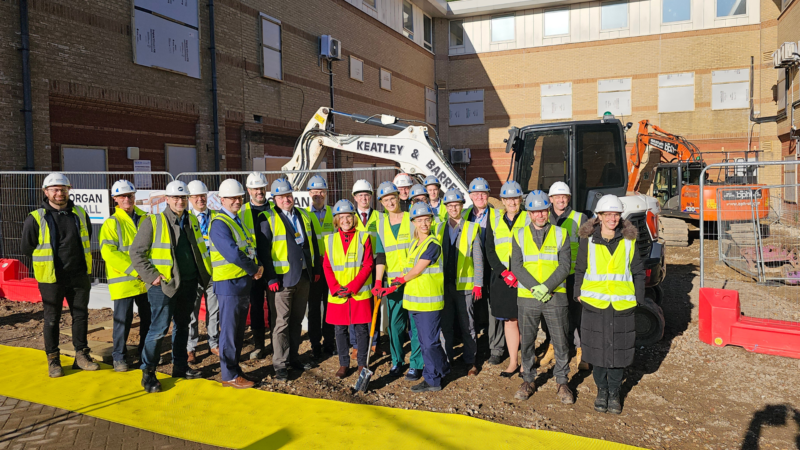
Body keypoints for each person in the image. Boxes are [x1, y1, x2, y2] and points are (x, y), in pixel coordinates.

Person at [130, 180, 212, 393]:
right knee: (158, 330)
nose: (179, 201)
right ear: (167, 199)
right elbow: (137, 253)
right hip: (164, 286)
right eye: (175, 197)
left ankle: (180, 366)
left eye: (183, 197)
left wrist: (204, 276)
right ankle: (148, 373)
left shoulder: (191, 220)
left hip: (188, 283)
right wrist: (152, 277)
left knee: (183, 325)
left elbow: (199, 251)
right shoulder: (154, 221)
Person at [22, 173, 99, 377]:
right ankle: (53, 360)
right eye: (54, 189)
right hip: (51, 278)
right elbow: (27, 247)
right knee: (51, 319)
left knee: (80, 316)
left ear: (69, 190)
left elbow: (86, 237)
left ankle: (81, 356)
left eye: (63, 189)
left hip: (79, 275)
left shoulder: (80, 213)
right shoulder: (36, 218)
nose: (59, 193)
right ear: (45, 192)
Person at [575, 194, 644, 415]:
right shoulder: (588, 240)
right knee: (597, 351)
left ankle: (614, 392)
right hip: (594, 305)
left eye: (616, 214)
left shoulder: (629, 241)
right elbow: (580, 269)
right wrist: (578, 294)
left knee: (618, 352)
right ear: (600, 216)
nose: (612, 218)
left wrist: (639, 299)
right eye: (608, 214)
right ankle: (601, 391)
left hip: (622, 306)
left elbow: (639, 272)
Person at [510, 191, 573, 404]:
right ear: (529, 213)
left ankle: (562, 381)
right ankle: (528, 379)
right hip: (527, 296)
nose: (540, 215)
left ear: (548, 211)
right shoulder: (518, 235)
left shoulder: (561, 234)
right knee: (527, 341)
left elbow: (565, 265)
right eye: (535, 211)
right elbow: (516, 266)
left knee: (561, 340)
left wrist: (546, 287)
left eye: (543, 210)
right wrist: (534, 287)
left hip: (555, 296)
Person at [257, 178, 320, 381]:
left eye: (289, 195)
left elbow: (312, 243)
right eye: (282, 196)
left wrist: (315, 269)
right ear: (274, 199)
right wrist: (271, 278)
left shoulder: (303, 215)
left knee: (296, 320)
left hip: (303, 276)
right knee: (281, 323)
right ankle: (280, 365)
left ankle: (293, 357)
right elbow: (264, 252)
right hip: (281, 280)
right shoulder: (266, 218)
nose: (286, 199)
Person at [386, 202, 450, 392]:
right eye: (420, 220)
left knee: (430, 343)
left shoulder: (432, 244)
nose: (424, 223)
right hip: (414, 301)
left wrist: (399, 281)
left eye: (427, 219)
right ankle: (439, 370)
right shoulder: (415, 244)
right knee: (423, 342)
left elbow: (416, 270)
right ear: (413, 222)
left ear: (431, 220)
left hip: (429, 302)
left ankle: (433, 379)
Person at [209, 179, 263, 389]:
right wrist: (254, 269)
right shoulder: (220, 223)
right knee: (230, 332)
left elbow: (247, 249)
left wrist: (254, 267)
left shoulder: (236, 221)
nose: (236, 201)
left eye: (239, 197)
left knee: (238, 331)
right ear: (222, 199)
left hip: (239, 283)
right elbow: (232, 253)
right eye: (232, 198)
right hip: (229, 284)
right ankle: (229, 374)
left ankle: (234, 369)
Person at [372, 181, 423, 380]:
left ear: (398, 197)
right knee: (394, 325)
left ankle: (417, 364)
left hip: (413, 279)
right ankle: (397, 361)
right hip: (393, 283)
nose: (390, 202)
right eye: (386, 200)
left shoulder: (411, 219)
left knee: (415, 324)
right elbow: (381, 255)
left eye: (393, 197)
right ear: (382, 203)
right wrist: (378, 282)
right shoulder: (381, 224)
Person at [100, 180, 150, 373]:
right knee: (122, 320)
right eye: (122, 196)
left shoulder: (146, 218)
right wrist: (136, 269)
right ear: (115, 200)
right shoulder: (112, 223)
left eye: (129, 195)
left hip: (146, 280)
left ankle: (145, 352)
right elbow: (109, 253)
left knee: (149, 318)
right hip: (125, 280)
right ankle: (119, 357)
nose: (127, 199)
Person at [322, 200, 375, 378]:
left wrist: (352, 287)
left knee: (361, 329)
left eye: (348, 216)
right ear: (336, 220)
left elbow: (368, 265)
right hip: (337, 294)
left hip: (358, 293)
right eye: (341, 217)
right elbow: (327, 267)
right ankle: (343, 364)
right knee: (340, 330)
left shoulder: (364, 237)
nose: (345, 220)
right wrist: (336, 288)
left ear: (354, 218)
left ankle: (361, 363)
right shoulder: (329, 239)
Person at [435, 189, 482, 376]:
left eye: (456, 205)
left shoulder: (471, 228)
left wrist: (478, 283)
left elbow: (478, 259)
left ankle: (470, 361)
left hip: (465, 287)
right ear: (445, 207)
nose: (453, 208)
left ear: (462, 206)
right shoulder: (438, 228)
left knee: (467, 324)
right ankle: (447, 360)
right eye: (450, 205)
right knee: (444, 325)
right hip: (443, 285)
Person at [485, 181, 528, 377]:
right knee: (510, 321)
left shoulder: (529, 218)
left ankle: (526, 363)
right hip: (503, 278)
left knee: (526, 321)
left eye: (515, 198)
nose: (512, 202)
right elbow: (489, 249)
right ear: (502, 201)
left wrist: (520, 274)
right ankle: (513, 362)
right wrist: (504, 272)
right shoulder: (493, 219)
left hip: (526, 277)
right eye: (508, 198)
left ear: (521, 200)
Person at [546, 181, 589, 371]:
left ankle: (581, 351)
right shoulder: (543, 217)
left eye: (564, 197)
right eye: (557, 197)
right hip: (552, 277)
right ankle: (553, 347)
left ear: (569, 199)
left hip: (573, 275)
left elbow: (586, 249)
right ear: (551, 199)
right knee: (552, 315)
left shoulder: (580, 218)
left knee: (577, 314)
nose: (561, 200)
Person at [464, 177, 504, 365]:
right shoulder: (464, 215)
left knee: (493, 307)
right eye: (476, 194)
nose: (480, 197)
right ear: (470, 196)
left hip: (493, 267)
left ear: (488, 195)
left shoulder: (497, 215)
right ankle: (475, 347)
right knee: (474, 308)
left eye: (483, 193)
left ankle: (496, 348)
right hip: (471, 268)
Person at [187, 180, 220, 363]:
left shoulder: (216, 216)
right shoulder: (186, 218)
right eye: (196, 196)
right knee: (191, 313)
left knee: (214, 311)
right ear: (190, 198)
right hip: (194, 273)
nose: (200, 199)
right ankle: (190, 347)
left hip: (214, 272)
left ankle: (213, 343)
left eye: (203, 196)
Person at [240, 172, 271, 360]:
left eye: (261, 188)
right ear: (249, 190)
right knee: (257, 307)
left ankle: (277, 344)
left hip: (274, 267)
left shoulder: (275, 208)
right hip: (254, 269)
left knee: (276, 309)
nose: (259, 191)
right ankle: (259, 345)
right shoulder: (242, 211)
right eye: (255, 188)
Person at [305, 175, 336, 359]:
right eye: (314, 191)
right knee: (314, 307)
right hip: (315, 268)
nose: (318, 194)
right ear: (309, 193)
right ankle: (315, 343)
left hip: (332, 267)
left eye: (321, 191)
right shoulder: (305, 215)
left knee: (331, 305)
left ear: (326, 193)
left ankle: (329, 342)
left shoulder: (334, 213)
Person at [352, 179, 382, 357]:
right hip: (356, 268)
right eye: (360, 195)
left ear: (371, 197)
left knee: (374, 303)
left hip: (377, 265)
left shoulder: (380, 217)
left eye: (367, 195)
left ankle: (374, 341)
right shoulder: (350, 217)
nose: (364, 198)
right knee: (356, 304)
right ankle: (356, 344)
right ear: (355, 197)